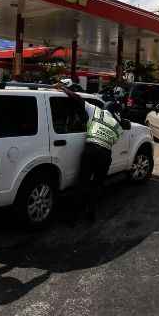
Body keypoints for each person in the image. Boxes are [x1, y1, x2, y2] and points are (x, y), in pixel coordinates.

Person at [54, 82, 124, 224]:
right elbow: (114, 141)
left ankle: (72, 217)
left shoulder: (97, 111)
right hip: (105, 154)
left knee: (82, 183)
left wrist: (64, 89)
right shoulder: (117, 125)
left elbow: (78, 99)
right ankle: (89, 211)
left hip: (91, 150)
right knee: (97, 184)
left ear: (105, 108)